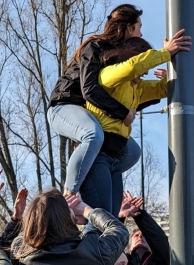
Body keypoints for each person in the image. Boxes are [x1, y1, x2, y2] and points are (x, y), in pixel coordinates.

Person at [78, 32, 190, 215]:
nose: (146, 72)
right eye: (146, 63)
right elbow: (132, 67)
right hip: (98, 157)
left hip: (114, 160)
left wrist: (170, 70)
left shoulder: (135, 88)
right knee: (101, 220)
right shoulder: (108, 76)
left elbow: (163, 89)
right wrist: (165, 53)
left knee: (112, 221)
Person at [48, 4, 145, 197]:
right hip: (64, 107)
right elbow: (90, 89)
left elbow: (129, 98)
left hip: (89, 112)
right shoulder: (95, 47)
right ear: (128, 28)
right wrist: (122, 113)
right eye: (139, 27)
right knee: (93, 135)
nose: (141, 34)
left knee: (132, 151)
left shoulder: (118, 57)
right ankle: (70, 196)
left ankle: (99, 174)